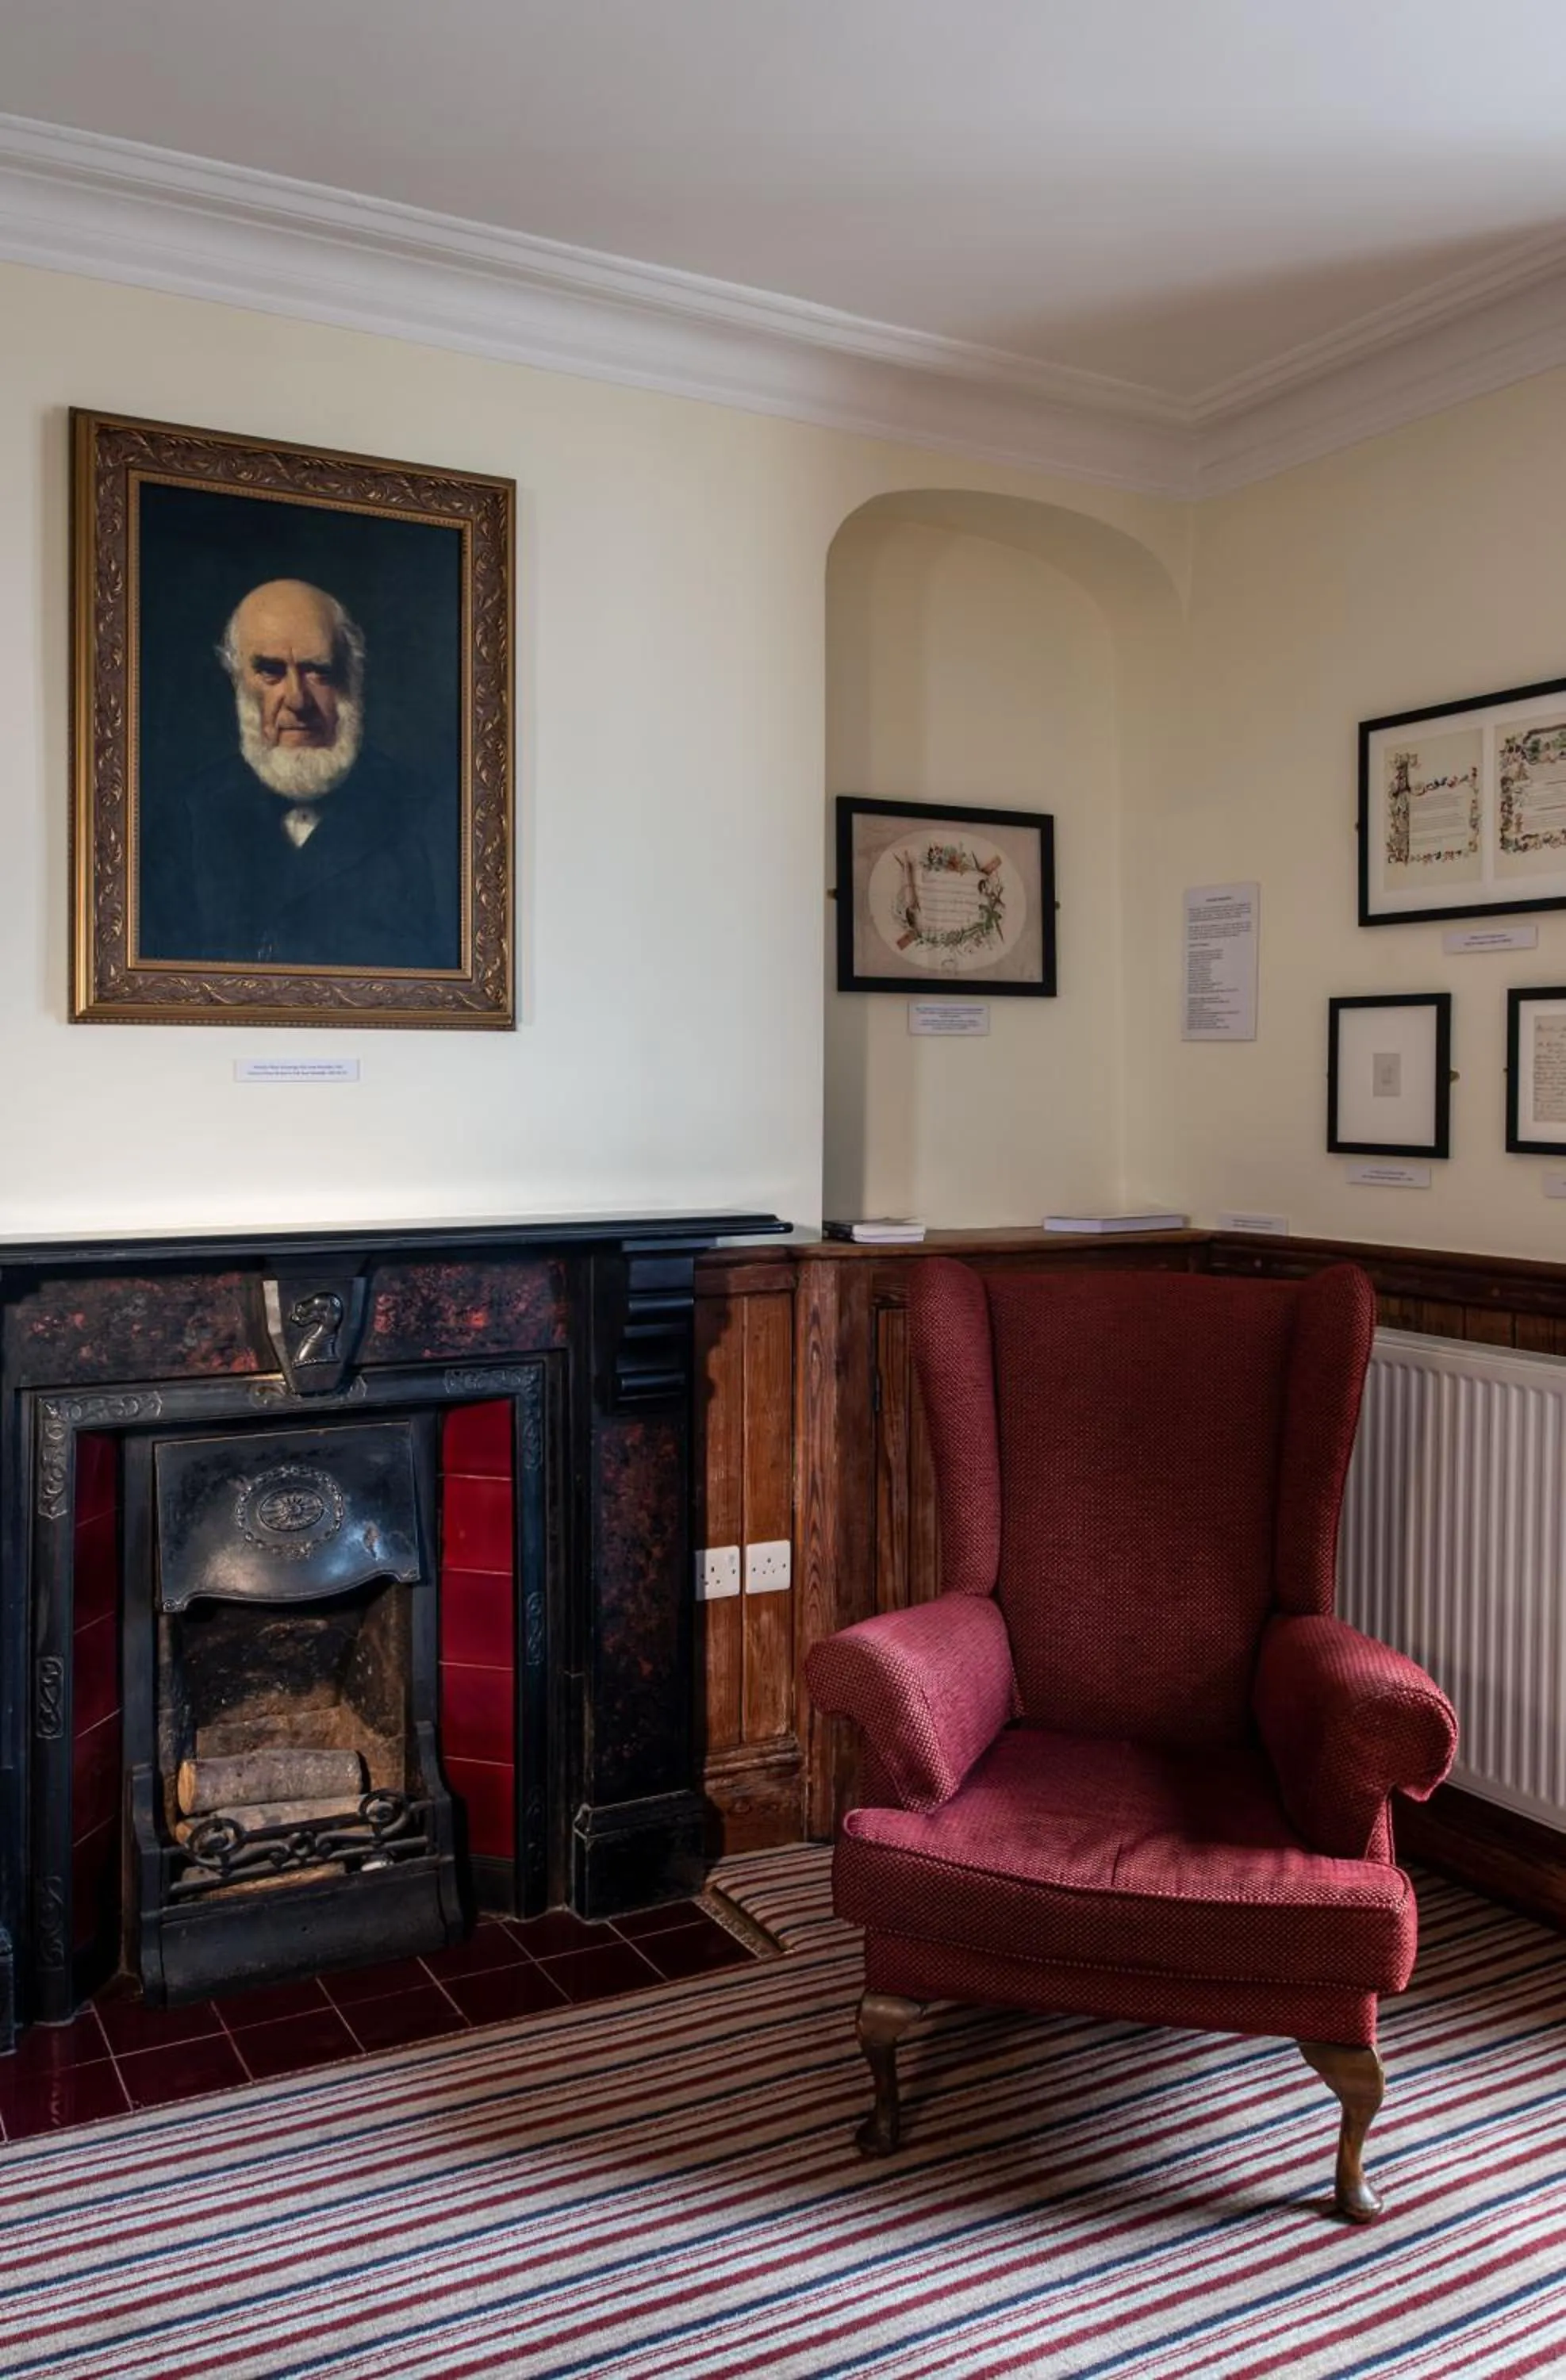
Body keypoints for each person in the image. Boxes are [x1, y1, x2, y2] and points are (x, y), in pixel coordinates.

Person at [137, 578, 461, 971]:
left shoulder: (430, 818)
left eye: (318, 672)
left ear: (352, 677)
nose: (296, 700)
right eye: (271, 672)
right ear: (237, 679)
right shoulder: (185, 818)